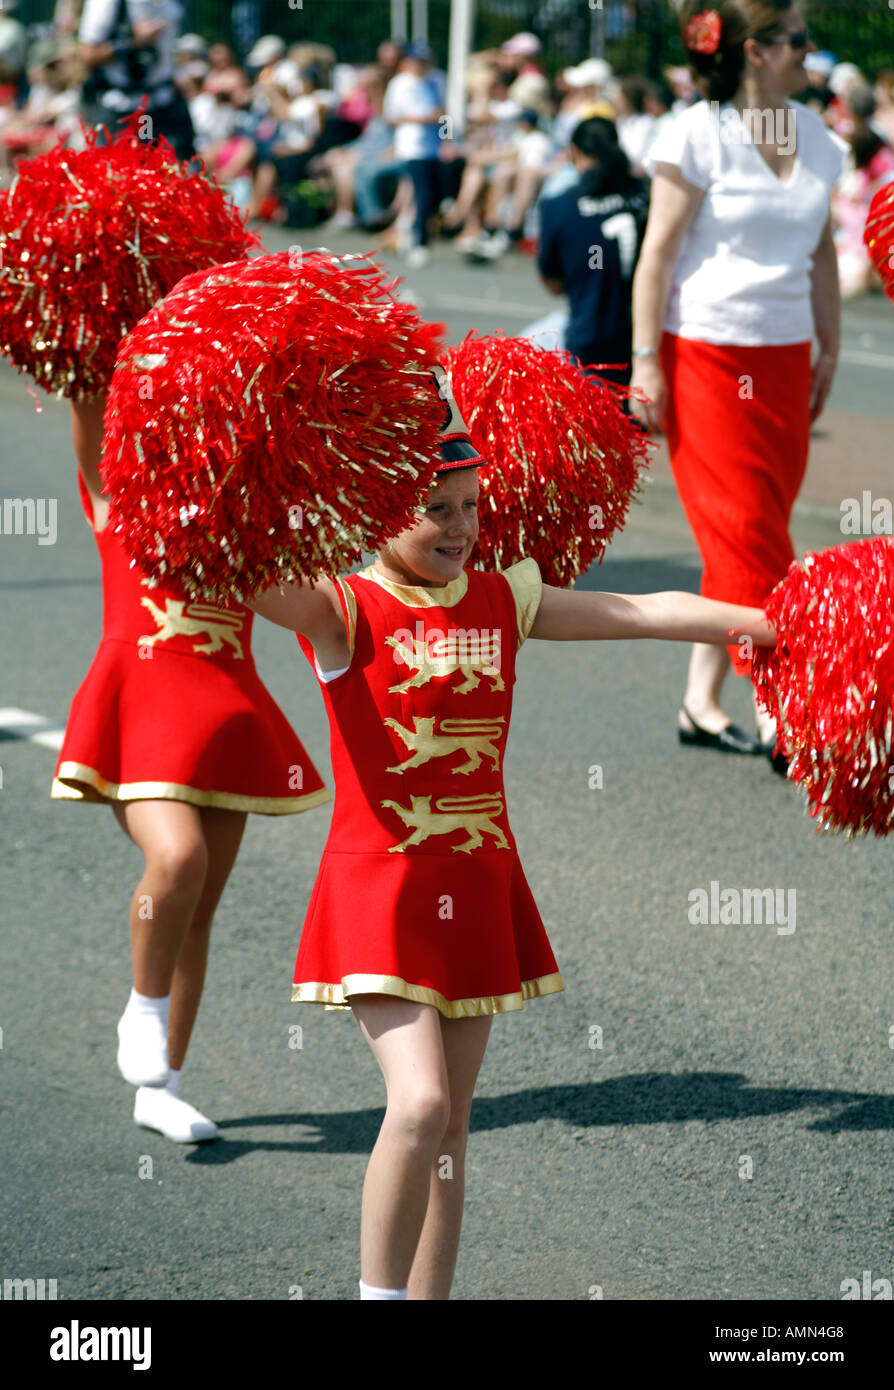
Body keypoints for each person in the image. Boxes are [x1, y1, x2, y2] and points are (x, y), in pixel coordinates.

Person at [249, 371, 776, 1299]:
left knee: (451, 1130)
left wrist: (776, 625)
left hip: (482, 885)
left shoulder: (505, 598)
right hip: (383, 889)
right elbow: (247, 576)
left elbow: (643, 614)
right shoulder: (342, 611)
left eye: (470, 506)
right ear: (375, 509)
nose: (457, 527)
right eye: (433, 508)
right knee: (416, 1105)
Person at [52, 395, 329, 1143]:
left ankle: (165, 1086)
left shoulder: (249, 527)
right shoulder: (121, 503)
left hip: (227, 714)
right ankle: (141, 1008)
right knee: (179, 857)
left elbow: (311, 604)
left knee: (199, 906)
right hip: (137, 708)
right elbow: (86, 404)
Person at [630, 1, 844, 766]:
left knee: (747, 534)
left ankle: (699, 699)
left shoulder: (816, 136)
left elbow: (820, 254)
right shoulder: (696, 130)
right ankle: (787, 709)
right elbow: (656, 253)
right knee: (752, 537)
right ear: (754, 52)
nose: (809, 50)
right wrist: (644, 359)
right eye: (796, 40)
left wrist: (828, 348)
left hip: (785, 356)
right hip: (705, 356)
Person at [538, 116, 649, 386]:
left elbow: (552, 283)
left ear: (573, 152)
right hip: (645, 339)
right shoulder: (648, 195)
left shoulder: (558, 205)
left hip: (590, 340)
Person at [78, 0, 195, 159]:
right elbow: (87, 55)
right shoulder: (108, 4)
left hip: (166, 105)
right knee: (124, 175)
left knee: (177, 173)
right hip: (123, 111)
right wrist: (131, 43)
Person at [383, 40, 444, 267]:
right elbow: (391, 117)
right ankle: (418, 239)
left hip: (433, 148)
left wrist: (446, 140)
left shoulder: (436, 81)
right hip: (411, 147)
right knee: (421, 192)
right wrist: (420, 118)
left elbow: (444, 115)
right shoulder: (400, 84)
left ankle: (409, 231)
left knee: (429, 194)